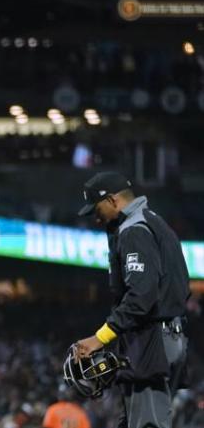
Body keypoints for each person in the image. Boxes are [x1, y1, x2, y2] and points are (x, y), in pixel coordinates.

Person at [72, 172, 190, 428]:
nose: (95, 216)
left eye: (97, 207)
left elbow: (141, 297)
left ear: (113, 201)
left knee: (147, 424)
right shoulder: (153, 221)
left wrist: (100, 337)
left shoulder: (134, 230)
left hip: (153, 341)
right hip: (166, 335)